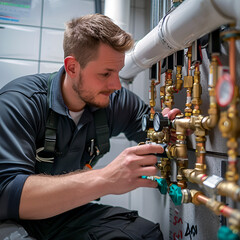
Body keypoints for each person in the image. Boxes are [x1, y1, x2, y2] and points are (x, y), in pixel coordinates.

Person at [0, 14, 168, 240]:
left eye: (117, 72)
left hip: (64, 214)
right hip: (12, 219)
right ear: (72, 67)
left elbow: (150, 128)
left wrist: (167, 126)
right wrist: (106, 179)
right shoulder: (20, 102)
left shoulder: (113, 101)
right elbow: (7, 194)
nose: (116, 84)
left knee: (144, 235)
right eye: (106, 74)